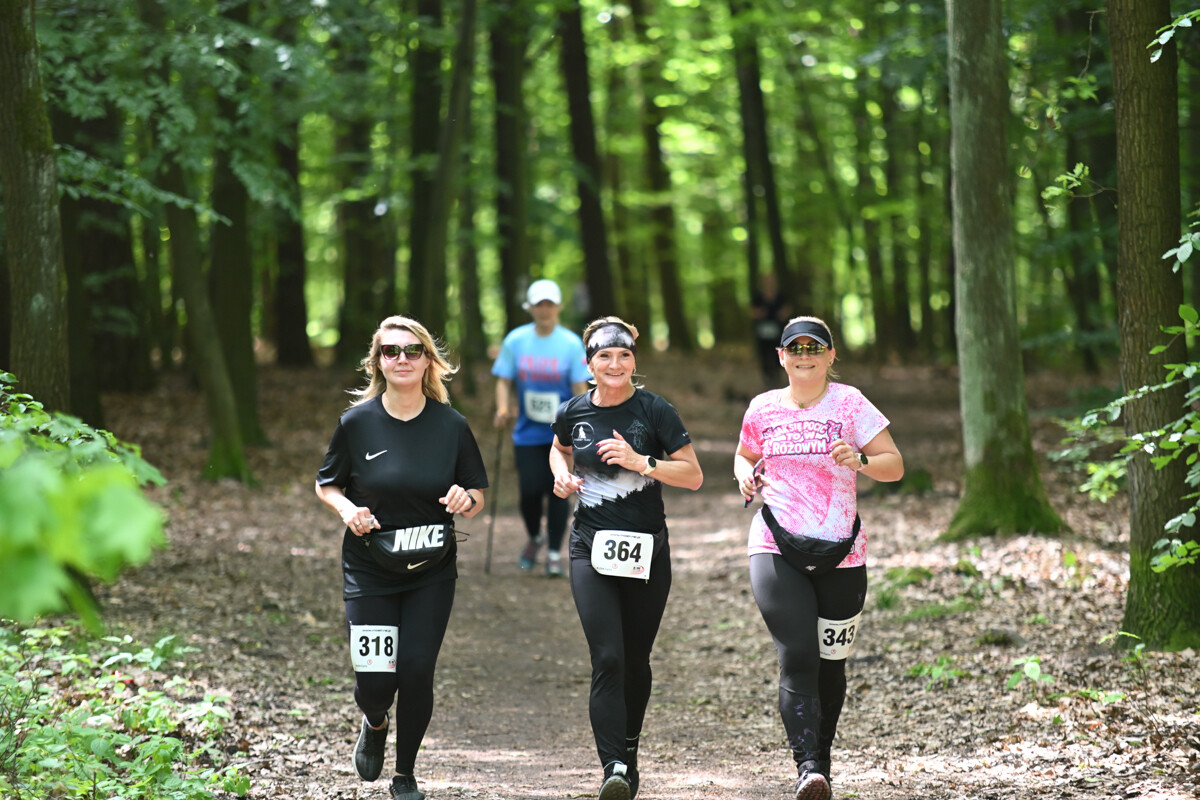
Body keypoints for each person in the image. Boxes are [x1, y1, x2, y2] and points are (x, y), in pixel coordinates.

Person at [316, 315, 489, 800]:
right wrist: (349, 510)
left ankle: (405, 774)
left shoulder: (451, 425)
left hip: (431, 569)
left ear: (428, 360)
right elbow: (326, 483)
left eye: (413, 351)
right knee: (375, 680)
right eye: (391, 351)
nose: (402, 359)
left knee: (415, 669)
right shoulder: (357, 423)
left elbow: (477, 493)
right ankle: (374, 722)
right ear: (378, 362)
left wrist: (465, 501)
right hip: (369, 567)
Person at [734, 316, 903, 800]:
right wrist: (745, 476)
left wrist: (862, 460)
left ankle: (820, 769)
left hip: (843, 552)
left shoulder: (850, 403)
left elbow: (894, 465)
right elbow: (744, 454)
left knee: (831, 662)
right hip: (776, 544)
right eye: (795, 347)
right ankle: (806, 766)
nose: (804, 354)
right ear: (781, 356)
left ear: (830, 356)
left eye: (815, 347)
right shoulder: (763, 407)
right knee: (799, 654)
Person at [549, 316, 704, 800]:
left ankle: (629, 753)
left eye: (624, 356)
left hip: (647, 553)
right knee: (608, 658)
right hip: (588, 549)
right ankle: (612, 765)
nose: (615, 365)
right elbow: (558, 450)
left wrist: (643, 463)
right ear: (588, 363)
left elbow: (694, 475)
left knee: (636, 661)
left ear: (634, 360)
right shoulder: (573, 411)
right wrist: (562, 477)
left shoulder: (655, 411)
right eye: (604, 356)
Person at [492, 279, 591, 576]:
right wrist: (502, 407)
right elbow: (504, 379)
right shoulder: (516, 340)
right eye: (539, 304)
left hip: (561, 434)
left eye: (549, 304)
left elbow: (579, 386)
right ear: (530, 308)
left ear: (558, 307)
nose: (544, 310)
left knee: (560, 490)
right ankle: (535, 536)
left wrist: (583, 419)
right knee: (529, 492)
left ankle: (553, 553)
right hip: (527, 432)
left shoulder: (572, 344)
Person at [751, 273, 792, 384]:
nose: (769, 283)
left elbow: (788, 309)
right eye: (766, 281)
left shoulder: (781, 295)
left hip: (777, 329)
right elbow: (752, 311)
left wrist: (782, 314)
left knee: (778, 351)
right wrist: (759, 313)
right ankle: (767, 376)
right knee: (764, 352)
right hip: (762, 330)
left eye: (771, 281)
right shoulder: (758, 296)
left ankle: (777, 375)